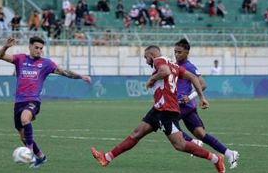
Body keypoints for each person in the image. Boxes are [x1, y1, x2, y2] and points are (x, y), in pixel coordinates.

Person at [91, 45, 225, 173]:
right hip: (158, 108)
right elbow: (193, 77)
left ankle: (215, 158)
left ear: (152, 54)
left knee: (180, 145)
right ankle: (106, 157)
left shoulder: (158, 60)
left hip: (166, 110)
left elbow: (164, 71)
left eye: (145, 57)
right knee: (137, 133)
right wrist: (202, 97)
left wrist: (152, 79)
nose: (146, 61)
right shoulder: (174, 65)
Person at [0, 36, 91, 168]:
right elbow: (0, 56)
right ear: (30, 47)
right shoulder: (20, 59)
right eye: (36, 48)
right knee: (23, 137)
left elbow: (64, 72)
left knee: (25, 118)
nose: (39, 50)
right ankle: (41, 157)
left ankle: (29, 152)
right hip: (18, 101)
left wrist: (81, 76)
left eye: (41, 48)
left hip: (33, 100)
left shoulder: (46, 63)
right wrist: (6, 46)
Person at [174, 38, 239, 169]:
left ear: (187, 53)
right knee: (201, 133)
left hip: (183, 105)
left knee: (168, 123)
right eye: (175, 51)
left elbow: (203, 84)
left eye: (179, 52)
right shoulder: (175, 65)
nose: (176, 54)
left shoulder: (189, 66)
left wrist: (190, 96)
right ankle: (230, 153)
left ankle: (193, 141)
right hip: (187, 107)